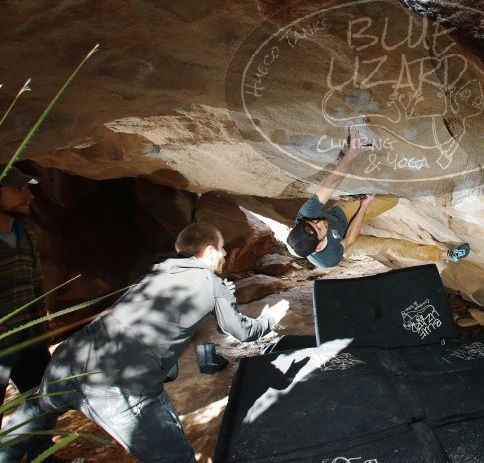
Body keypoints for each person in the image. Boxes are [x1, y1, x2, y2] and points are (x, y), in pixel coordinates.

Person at [0, 222, 289, 463]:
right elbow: (242, 332)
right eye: (223, 248)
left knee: (32, 419)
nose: (225, 255)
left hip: (70, 359)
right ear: (210, 250)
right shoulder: (208, 281)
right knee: (173, 457)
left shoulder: (156, 271)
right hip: (119, 383)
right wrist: (270, 319)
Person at [286, 127, 470, 269]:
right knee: (388, 245)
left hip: (340, 214)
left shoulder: (307, 215)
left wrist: (351, 154)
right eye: (318, 229)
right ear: (318, 245)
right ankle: (446, 255)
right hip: (347, 244)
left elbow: (331, 183)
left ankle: (353, 198)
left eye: (313, 223)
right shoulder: (328, 259)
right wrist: (364, 206)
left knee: (392, 200)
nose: (319, 221)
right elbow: (349, 239)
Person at [0, 166, 50, 421]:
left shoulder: (24, 234)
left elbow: (36, 288)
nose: (29, 196)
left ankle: (43, 454)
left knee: (43, 401)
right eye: (18, 189)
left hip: (28, 339)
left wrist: (41, 333)